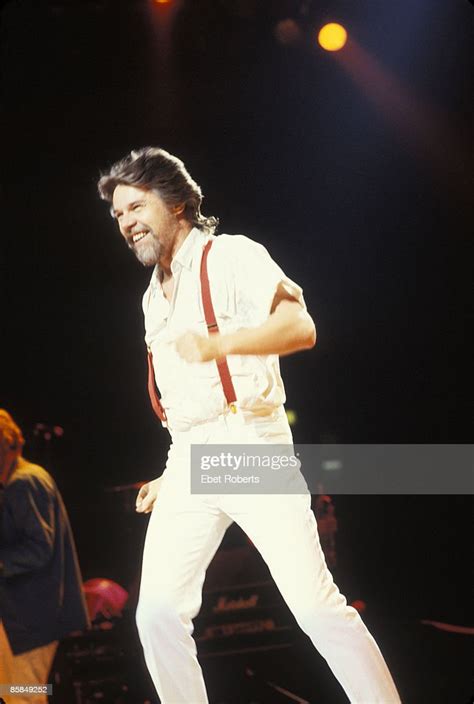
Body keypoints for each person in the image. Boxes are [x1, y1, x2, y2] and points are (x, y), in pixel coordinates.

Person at [97, 147, 401, 703]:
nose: (126, 223)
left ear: (177, 203)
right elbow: (188, 409)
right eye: (118, 215)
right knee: (158, 612)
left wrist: (223, 342)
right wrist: (173, 473)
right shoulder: (151, 300)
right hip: (191, 458)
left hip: (249, 445)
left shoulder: (232, 257)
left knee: (313, 606)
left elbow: (300, 326)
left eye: (135, 207)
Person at [0, 410, 90, 704]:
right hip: (27, 618)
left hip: (30, 618)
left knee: (24, 696)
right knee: (19, 694)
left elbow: (39, 548)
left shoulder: (24, 483)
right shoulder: (23, 481)